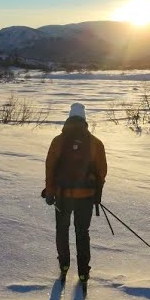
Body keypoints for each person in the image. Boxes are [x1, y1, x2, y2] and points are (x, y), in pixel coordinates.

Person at [42, 102, 107, 285]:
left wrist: (50, 192)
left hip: (63, 196)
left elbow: (50, 168)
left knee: (62, 231)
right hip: (85, 197)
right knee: (82, 233)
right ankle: (83, 272)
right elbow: (101, 172)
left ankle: (64, 265)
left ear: (69, 118)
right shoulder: (95, 143)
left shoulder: (58, 141)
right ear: (84, 119)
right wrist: (97, 193)